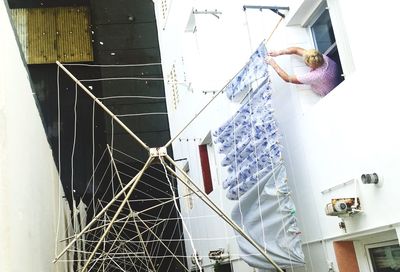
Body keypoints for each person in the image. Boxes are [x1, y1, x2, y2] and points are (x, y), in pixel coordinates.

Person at [266, 47, 341, 96]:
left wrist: (272, 63)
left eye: (307, 64)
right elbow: (296, 50)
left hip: (331, 92)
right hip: (336, 77)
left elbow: (287, 78)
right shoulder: (321, 57)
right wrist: (278, 52)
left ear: (312, 66)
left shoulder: (317, 75)